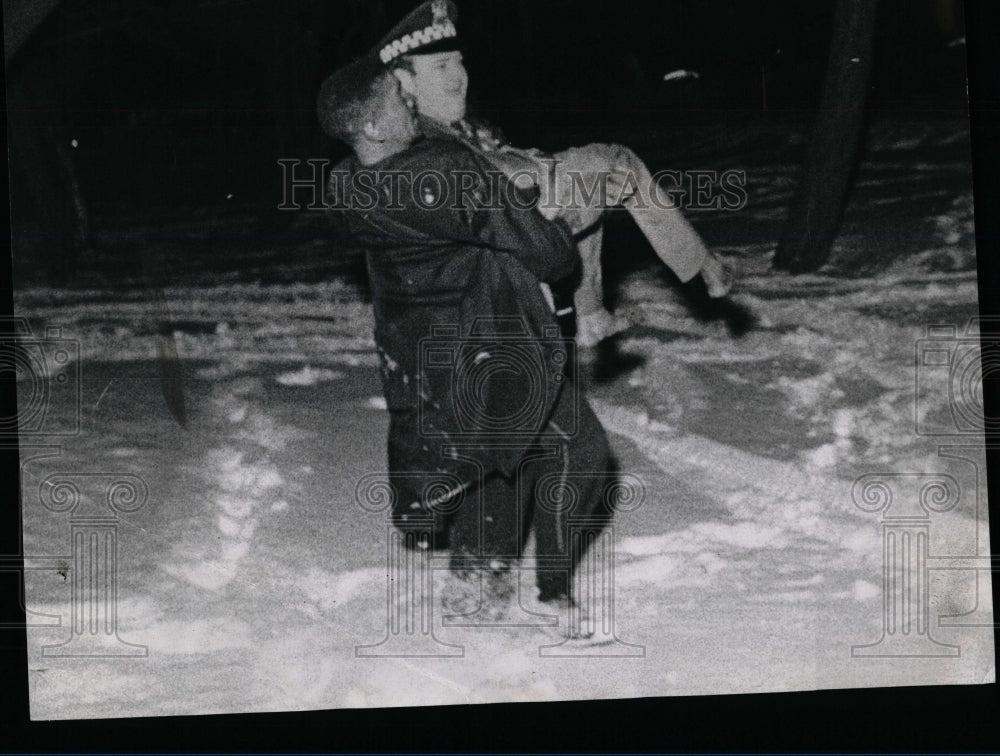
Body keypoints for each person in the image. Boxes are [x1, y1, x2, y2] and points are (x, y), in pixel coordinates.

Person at [317, 56, 615, 633]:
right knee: (581, 455)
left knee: (492, 462)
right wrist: (554, 214)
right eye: (400, 100)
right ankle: (552, 592)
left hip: (427, 359)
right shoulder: (449, 172)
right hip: (495, 344)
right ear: (375, 127)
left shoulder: (345, 185)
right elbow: (550, 255)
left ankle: (476, 582)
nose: (413, 103)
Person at [374, 0, 734, 347]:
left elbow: (509, 169)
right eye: (441, 67)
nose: (458, 76)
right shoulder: (416, 140)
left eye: (459, 63)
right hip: (491, 266)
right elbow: (494, 185)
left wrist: (547, 171)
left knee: (600, 174)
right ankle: (680, 273)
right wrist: (548, 173)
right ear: (405, 82)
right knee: (601, 171)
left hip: (517, 233)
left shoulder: (457, 124)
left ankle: (593, 312)